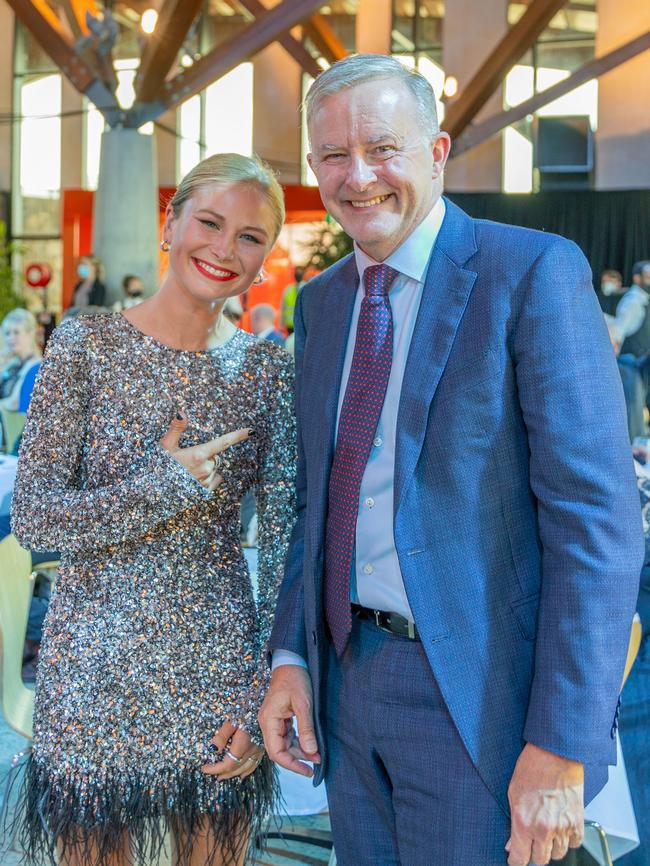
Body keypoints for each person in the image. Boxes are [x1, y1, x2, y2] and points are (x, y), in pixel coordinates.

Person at [258, 55, 643, 866]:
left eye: (382, 148)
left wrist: (561, 746)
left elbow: (595, 528)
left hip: (480, 700)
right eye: (333, 155)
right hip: (347, 685)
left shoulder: (530, 272)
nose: (357, 176)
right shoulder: (323, 302)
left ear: (436, 151)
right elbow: (315, 505)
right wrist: (292, 656)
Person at [11, 152, 295, 866]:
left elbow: (289, 543)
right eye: (209, 222)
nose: (225, 249)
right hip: (92, 665)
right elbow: (37, 519)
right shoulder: (86, 344)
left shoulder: (265, 370)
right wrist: (162, 486)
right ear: (170, 225)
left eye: (251, 236)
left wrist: (261, 692)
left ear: (265, 260)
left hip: (217, 668)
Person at [0, 308, 42, 413]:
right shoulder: (12, 364)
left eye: (16, 332)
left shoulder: (36, 366)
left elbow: (14, 402)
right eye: (7, 333)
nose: (10, 338)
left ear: (30, 334)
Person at [280, 265, 305, 334]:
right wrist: (281, 324)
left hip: (303, 324)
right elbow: (283, 307)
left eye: (300, 272)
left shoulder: (307, 287)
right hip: (290, 325)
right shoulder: (288, 289)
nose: (298, 274)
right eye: (297, 272)